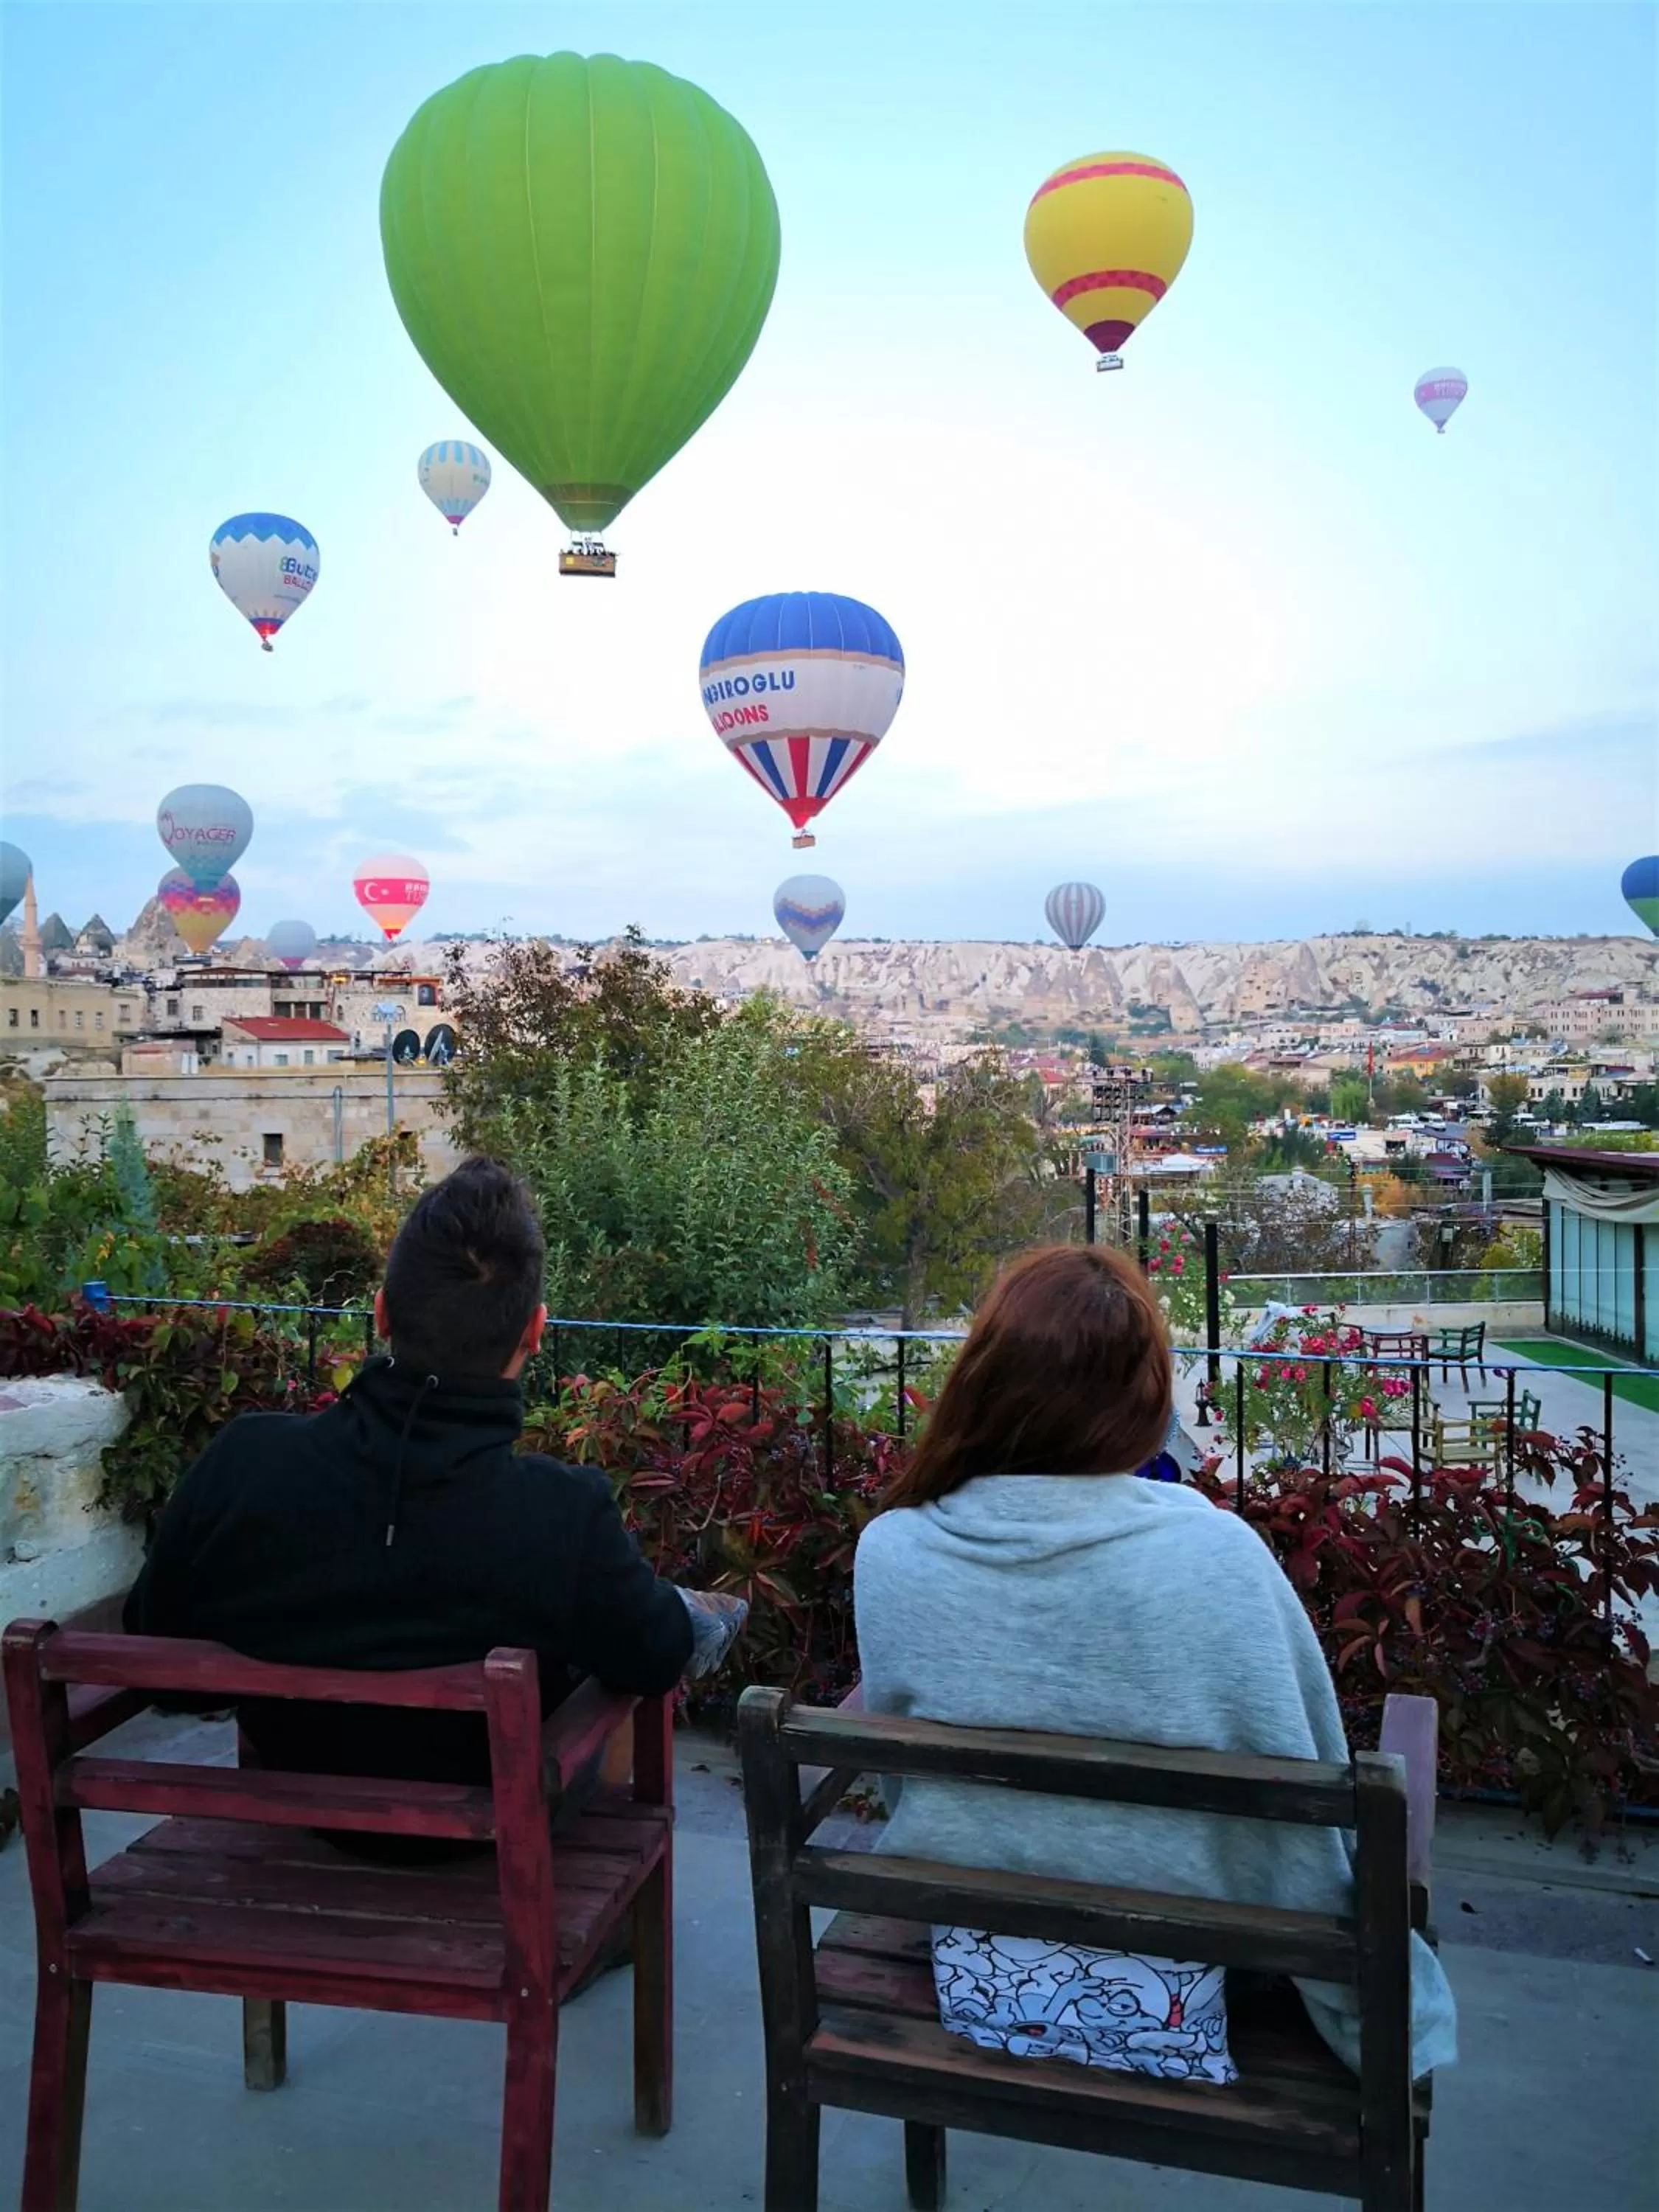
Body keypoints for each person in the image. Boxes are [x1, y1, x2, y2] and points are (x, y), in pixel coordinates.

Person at [854, 1243, 1455, 2084]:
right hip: (1195, 1968)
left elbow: (900, 1782)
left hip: (976, 1951)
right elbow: (1305, 1777)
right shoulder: (1216, 1556)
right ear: (1142, 1397)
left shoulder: (892, 1549)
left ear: (981, 1383)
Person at [125, 1156, 744, 1790]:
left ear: (382, 1313)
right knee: (616, 1685)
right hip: (492, 1846)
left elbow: (151, 1638)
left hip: (309, 1814)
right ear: (534, 1331)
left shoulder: (244, 1461)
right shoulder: (560, 1515)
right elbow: (659, 1652)